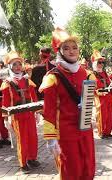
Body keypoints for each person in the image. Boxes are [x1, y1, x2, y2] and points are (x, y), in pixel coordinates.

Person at [39, 27, 96, 180]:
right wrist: (51, 138)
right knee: (71, 170)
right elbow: (48, 111)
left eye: (74, 47)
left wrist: (93, 115)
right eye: (66, 48)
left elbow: (91, 99)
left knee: (88, 167)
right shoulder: (53, 77)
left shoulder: (87, 73)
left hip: (85, 129)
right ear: (60, 52)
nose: (71, 51)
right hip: (65, 133)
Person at [0, 51, 40, 173]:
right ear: (10, 66)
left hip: (29, 114)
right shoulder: (7, 83)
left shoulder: (27, 80)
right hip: (17, 116)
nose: (17, 66)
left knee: (33, 137)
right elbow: (5, 102)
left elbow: (34, 97)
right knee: (22, 139)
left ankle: (32, 158)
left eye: (19, 64)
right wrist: (6, 118)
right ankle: (23, 163)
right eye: (15, 64)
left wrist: (37, 111)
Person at [91, 50, 112, 139]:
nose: (101, 64)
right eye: (99, 62)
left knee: (109, 115)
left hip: (108, 95)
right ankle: (101, 132)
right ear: (95, 63)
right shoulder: (92, 74)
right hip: (100, 98)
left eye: (102, 62)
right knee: (102, 115)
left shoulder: (104, 73)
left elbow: (108, 82)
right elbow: (90, 88)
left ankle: (108, 132)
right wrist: (98, 92)